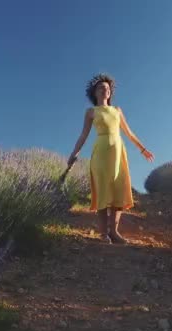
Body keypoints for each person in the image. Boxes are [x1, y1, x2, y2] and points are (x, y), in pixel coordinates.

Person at [67, 73, 154, 244]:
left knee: (118, 190)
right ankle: (103, 234)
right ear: (95, 92)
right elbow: (83, 135)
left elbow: (129, 133)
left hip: (118, 153)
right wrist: (74, 153)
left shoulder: (117, 110)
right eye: (101, 87)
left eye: (107, 88)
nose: (105, 89)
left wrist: (142, 149)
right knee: (102, 191)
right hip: (100, 153)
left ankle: (114, 232)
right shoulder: (91, 112)